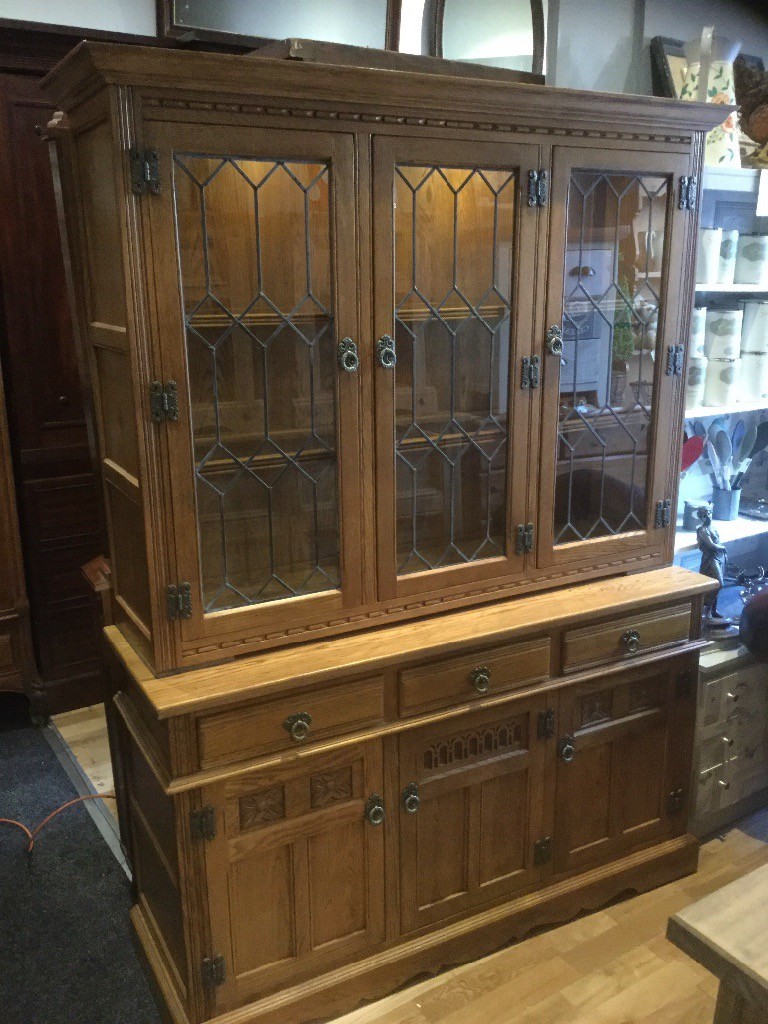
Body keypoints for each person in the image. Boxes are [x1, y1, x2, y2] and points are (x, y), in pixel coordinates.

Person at [696, 504, 728, 620]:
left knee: (717, 583)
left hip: (719, 557)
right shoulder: (702, 530)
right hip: (710, 559)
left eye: (709, 513)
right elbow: (712, 545)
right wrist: (723, 548)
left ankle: (713, 610)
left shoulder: (713, 527)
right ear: (701, 518)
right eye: (704, 515)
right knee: (718, 583)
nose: (708, 516)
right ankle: (707, 608)